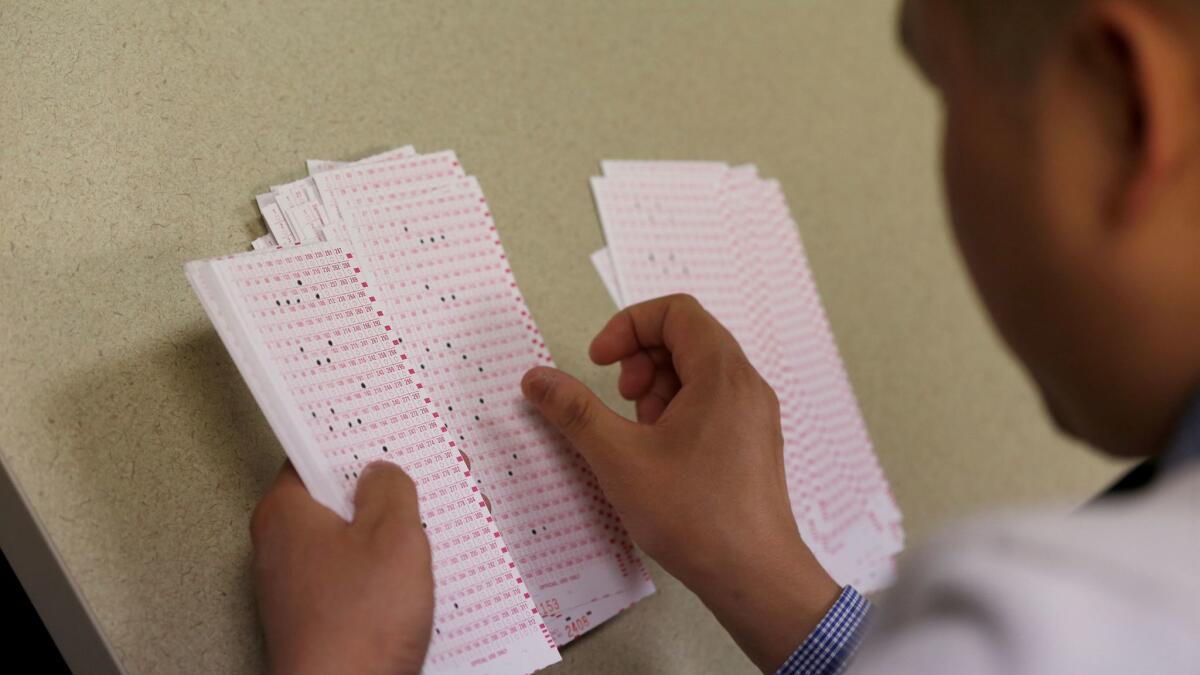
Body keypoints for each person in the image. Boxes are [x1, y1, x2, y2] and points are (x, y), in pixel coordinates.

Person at [247, 0, 1200, 672]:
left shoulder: (1050, 626)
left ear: (1129, 99)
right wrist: (760, 569)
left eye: (947, 89)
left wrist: (347, 661)